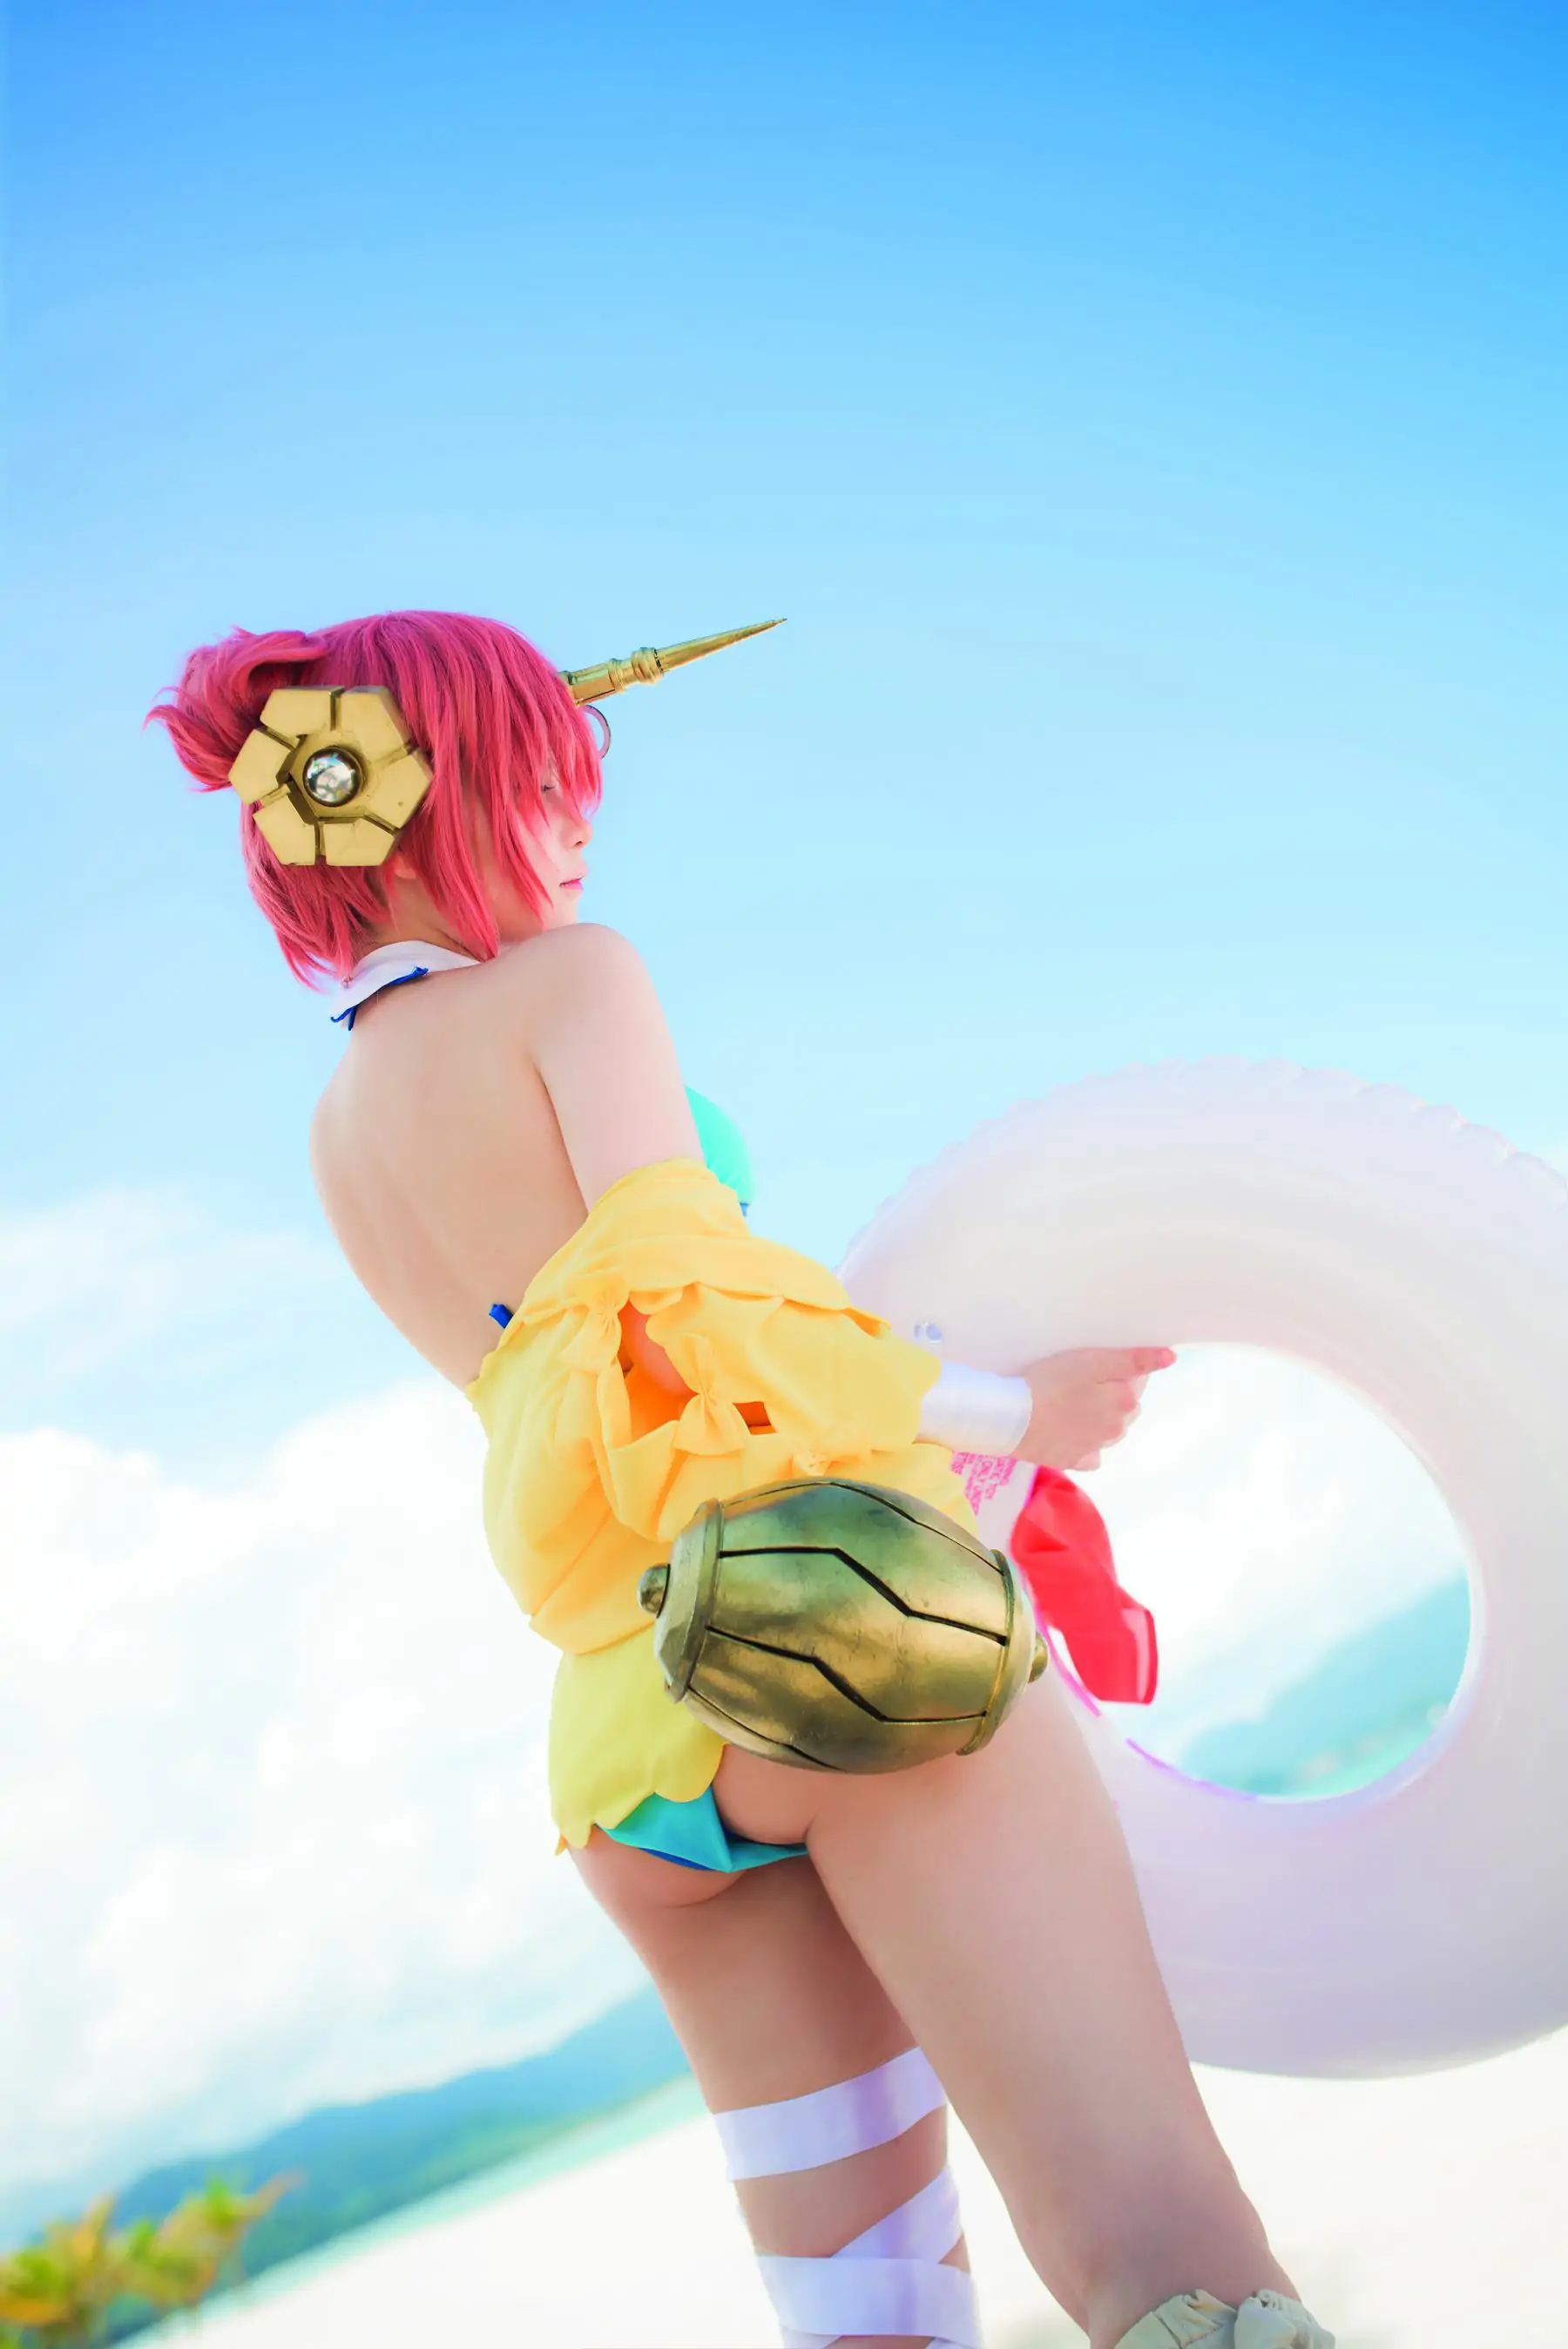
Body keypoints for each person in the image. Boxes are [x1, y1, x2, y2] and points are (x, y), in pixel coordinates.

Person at [152, 609, 1331, 2349]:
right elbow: (696, 1317)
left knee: (871, 2326)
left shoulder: (339, 1132)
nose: (579, 821)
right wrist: (1017, 1411)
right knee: (1166, 2258)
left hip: (629, 1745)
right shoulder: (573, 983)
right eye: (546, 779)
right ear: (435, 796)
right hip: (833, 1637)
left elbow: (569, 1402)